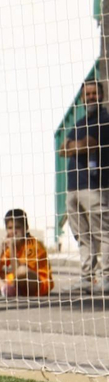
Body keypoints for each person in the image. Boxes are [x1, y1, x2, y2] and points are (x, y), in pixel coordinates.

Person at [59, 81, 106, 293]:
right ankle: (88, 276)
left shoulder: (104, 120)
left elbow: (91, 144)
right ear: (81, 97)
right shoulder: (79, 123)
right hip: (73, 187)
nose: (91, 97)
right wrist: (76, 146)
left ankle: (105, 276)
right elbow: (62, 149)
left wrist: (74, 146)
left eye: (94, 93)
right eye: (87, 94)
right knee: (82, 234)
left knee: (102, 232)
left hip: (95, 186)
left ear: (102, 95)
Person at [0, 208, 52, 297]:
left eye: (18, 227)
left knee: (22, 271)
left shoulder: (33, 245)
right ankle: (3, 287)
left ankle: (2, 287)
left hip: (37, 284)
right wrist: (1, 250)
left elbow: (18, 272)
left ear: (26, 228)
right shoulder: (11, 243)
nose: (14, 232)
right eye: (10, 228)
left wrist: (11, 248)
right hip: (16, 281)